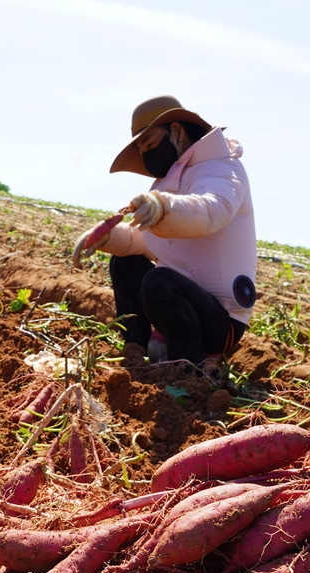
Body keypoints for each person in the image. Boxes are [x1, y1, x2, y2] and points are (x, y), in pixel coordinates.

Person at [72, 95, 256, 374]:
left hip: (222, 321)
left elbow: (212, 210)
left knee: (160, 281)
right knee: (125, 263)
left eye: (151, 143)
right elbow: (144, 241)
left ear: (177, 132)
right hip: (184, 302)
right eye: (142, 148)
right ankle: (136, 350)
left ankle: (189, 370)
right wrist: (105, 238)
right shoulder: (170, 182)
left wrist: (163, 207)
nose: (147, 155)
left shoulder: (222, 169)